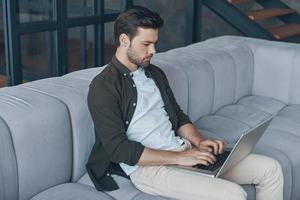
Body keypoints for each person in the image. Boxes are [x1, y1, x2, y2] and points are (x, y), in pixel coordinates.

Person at [86, 6, 283, 200]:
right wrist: (180, 158)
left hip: (183, 149)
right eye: (146, 44)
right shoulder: (103, 87)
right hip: (149, 168)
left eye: (154, 43)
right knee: (233, 195)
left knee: (270, 170)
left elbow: (178, 117)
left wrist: (200, 141)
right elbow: (118, 149)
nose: (153, 50)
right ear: (124, 40)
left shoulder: (154, 73)